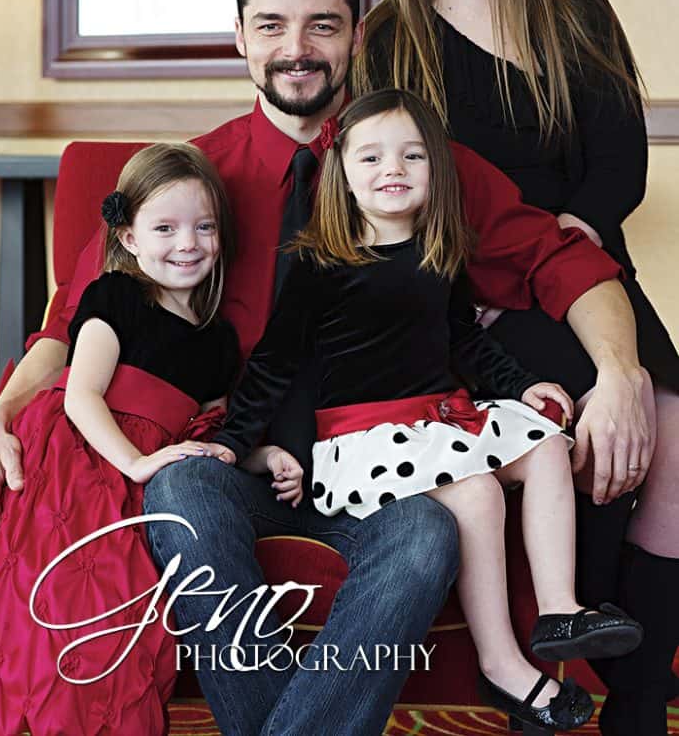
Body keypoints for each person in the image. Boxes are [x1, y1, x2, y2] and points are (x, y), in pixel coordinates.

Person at [0, 0, 650, 735]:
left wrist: (620, 372)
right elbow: (74, 318)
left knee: (428, 533)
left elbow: (563, 263)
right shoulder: (193, 181)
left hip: (384, 466)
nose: (296, 50)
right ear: (240, 37)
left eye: (321, 26)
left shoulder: (417, 163)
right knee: (181, 494)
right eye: (271, 26)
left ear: (356, 36)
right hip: (239, 457)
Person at [355, 0, 679, 736]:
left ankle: (642, 703)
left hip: (578, 262)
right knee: (581, 414)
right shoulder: (389, 33)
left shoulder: (572, 4)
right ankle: (577, 649)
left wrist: (565, 245)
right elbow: (386, 185)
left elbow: (621, 161)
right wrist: (471, 286)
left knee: (669, 429)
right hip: (469, 284)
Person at [210, 87, 645, 731]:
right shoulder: (321, 263)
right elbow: (275, 362)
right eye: (372, 159)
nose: (393, 170)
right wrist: (233, 437)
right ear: (343, 178)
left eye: (412, 156)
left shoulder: (441, 249)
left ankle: (560, 609)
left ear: (435, 171)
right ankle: (501, 664)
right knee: (476, 495)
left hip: (440, 418)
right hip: (364, 437)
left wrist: (522, 386)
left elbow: (465, 340)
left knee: (548, 443)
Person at [0, 143, 249, 735]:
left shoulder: (218, 340)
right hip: (81, 456)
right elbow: (80, 394)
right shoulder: (115, 296)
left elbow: (211, 424)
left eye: (204, 227)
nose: (188, 243)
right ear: (128, 238)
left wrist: (251, 452)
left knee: (124, 618)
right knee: (63, 601)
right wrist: (135, 461)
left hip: (145, 470)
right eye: (165, 228)